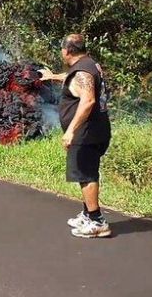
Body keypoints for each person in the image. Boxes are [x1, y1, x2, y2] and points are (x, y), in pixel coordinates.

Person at [39, 34, 112, 238]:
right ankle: (88, 215)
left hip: (85, 133)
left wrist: (71, 130)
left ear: (67, 51)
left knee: (86, 174)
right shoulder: (88, 65)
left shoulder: (82, 71)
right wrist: (53, 76)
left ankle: (97, 221)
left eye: (62, 49)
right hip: (95, 129)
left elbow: (88, 101)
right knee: (86, 172)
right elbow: (75, 79)